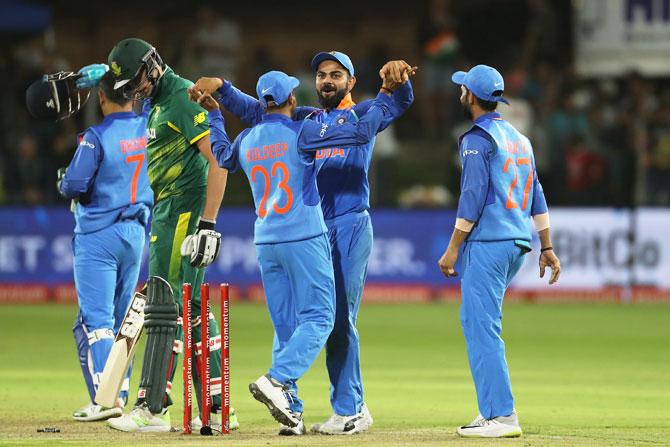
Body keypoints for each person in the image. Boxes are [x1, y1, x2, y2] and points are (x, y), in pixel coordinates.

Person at [189, 51, 415, 435]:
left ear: (351, 81)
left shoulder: (361, 114)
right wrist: (224, 91)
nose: (327, 80)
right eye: (322, 75)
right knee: (293, 321)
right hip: (309, 228)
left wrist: (399, 82)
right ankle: (289, 404)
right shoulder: (306, 120)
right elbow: (261, 109)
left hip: (346, 224)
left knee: (338, 319)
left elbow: (398, 102)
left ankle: (349, 408)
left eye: (336, 75)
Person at [99, 38, 238, 433]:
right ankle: (213, 406)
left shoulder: (181, 97)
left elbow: (220, 161)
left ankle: (152, 408)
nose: (135, 90)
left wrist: (207, 223)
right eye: (127, 88)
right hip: (167, 209)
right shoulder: (156, 102)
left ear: (154, 64)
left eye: (138, 80)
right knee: (191, 308)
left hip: (183, 210)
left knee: (165, 303)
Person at [437, 64, 561, 438]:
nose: (461, 94)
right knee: (479, 323)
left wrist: (452, 248)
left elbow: (472, 196)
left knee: (481, 327)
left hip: (487, 243)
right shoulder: (520, 138)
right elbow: (536, 192)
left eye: (463, 90)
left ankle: (502, 416)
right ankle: (490, 409)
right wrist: (547, 244)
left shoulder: (476, 138)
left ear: (470, 97)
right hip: (516, 243)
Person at [49, 70, 152, 421]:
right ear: (134, 96)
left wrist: (64, 180)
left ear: (101, 98)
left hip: (99, 235)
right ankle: (119, 395)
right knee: (124, 320)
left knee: (97, 322)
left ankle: (106, 400)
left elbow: (74, 184)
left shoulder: (96, 136)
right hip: (135, 235)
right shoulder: (145, 127)